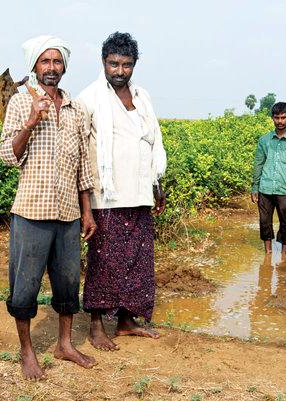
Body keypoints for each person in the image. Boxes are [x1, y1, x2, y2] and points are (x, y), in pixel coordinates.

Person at [0, 35, 97, 379]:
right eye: (45, 62)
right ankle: (27, 353)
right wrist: (30, 121)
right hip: (31, 213)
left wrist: (87, 211)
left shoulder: (76, 108)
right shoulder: (19, 103)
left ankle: (65, 344)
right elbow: (8, 156)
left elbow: (83, 163)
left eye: (57, 62)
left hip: (69, 213)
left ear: (64, 66)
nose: (52, 68)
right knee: (24, 285)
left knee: (69, 283)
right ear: (34, 67)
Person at [77, 32, 167, 351]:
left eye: (126, 64)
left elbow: (152, 142)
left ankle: (127, 322)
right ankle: (97, 326)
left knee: (138, 260)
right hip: (107, 198)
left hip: (139, 193)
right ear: (103, 62)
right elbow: (80, 154)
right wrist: (85, 208)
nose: (119, 70)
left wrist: (157, 186)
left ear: (134, 65)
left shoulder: (142, 97)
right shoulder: (89, 99)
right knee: (105, 262)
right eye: (114, 63)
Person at [251, 102, 286, 254]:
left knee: (285, 222)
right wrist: (255, 187)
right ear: (272, 118)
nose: (280, 121)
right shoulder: (264, 140)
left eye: (283, 117)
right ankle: (268, 253)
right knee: (264, 222)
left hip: (285, 189)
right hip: (265, 188)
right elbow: (258, 164)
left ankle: (283, 254)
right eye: (277, 118)